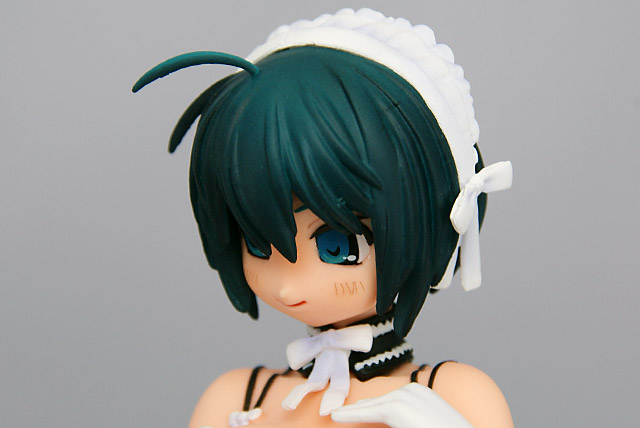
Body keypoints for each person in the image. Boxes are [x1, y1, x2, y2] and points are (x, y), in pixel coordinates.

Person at [134, 8, 514, 428]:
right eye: (258, 242)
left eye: (337, 246)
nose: (288, 285)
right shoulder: (235, 396)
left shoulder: (455, 395)